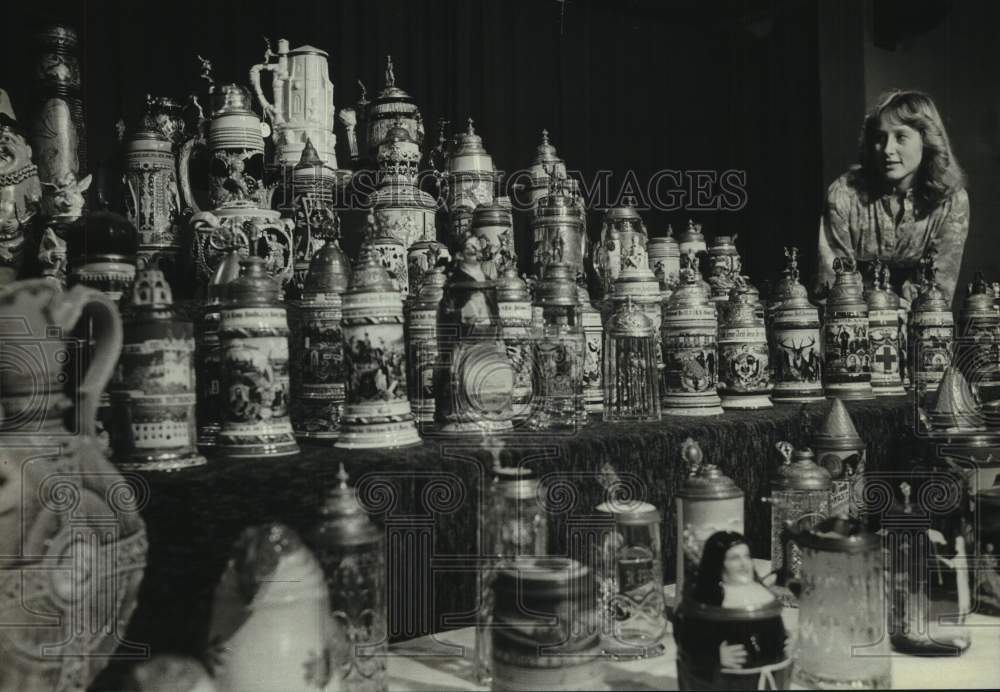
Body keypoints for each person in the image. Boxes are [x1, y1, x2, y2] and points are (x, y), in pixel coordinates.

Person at [815, 90, 969, 306]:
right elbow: (832, 287)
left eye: (901, 137)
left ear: (926, 140)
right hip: (854, 322)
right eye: (880, 137)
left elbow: (938, 294)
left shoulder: (951, 201)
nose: (887, 149)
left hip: (918, 324)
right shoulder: (844, 194)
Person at [674, 531, 790, 689]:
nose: (744, 563)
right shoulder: (706, 602)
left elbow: (774, 630)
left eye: (747, 556)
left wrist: (783, 640)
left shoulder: (761, 594)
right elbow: (687, 639)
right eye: (735, 558)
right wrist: (715, 655)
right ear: (718, 562)